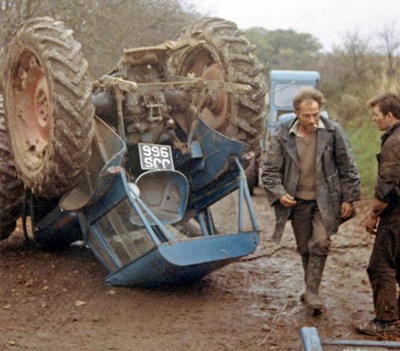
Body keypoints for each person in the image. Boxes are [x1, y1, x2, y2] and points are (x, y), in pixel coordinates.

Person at [262, 88, 361, 315]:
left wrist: (350, 198)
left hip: (326, 200)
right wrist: (278, 192)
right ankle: (310, 289)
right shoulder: (283, 134)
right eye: (306, 115)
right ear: (296, 112)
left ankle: (313, 292)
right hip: (297, 202)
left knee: (321, 242)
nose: (312, 120)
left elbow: (348, 167)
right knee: (305, 247)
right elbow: (269, 170)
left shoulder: (333, 131)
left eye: (315, 114)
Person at [357, 93, 400, 337]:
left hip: (395, 214)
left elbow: (387, 185)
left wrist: (373, 214)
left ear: (390, 116)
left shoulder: (394, 143)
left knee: (380, 266)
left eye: (376, 115)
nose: (374, 120)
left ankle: (387, 322)